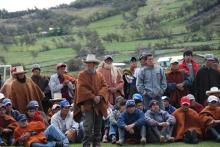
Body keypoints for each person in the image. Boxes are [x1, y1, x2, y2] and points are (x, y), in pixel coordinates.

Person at [73, 54, 108, 147]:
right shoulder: (81, 75)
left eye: (91, 63)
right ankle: (86, 144)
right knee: (88, 126)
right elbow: (81, 88)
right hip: (88, 105)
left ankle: (97, 144)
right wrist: (93, 97)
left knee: (98, 126)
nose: (89, 65)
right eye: (87, 63)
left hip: (99, 104)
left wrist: (100, 96)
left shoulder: (100, 75)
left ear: (94, 64)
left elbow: (104, 86)